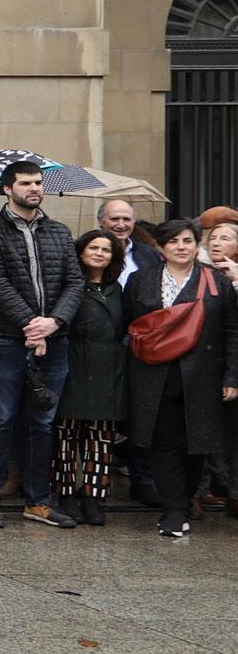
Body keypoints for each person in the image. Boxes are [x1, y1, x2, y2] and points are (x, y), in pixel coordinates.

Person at [0, 160, 85, 530]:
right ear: (7, 189)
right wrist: (30, 324)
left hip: (53, 340)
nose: (34, 188)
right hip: (4, 339)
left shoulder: (59, 231)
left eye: (38, 183)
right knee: (1, 418)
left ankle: (38, 500)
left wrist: (54, 323)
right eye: (25, 183)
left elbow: (74, 282)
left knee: (43, 421)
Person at [123, 219, 238, 537]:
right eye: (173, 241)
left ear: (196, 244)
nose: (181, 246)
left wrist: (232, 376)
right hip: (153, 375)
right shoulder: (140, 280)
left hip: (203, 375)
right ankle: (174, 509)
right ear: (160, 247)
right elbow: (130, 327)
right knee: (165, 443)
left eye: (187, 240)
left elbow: (231, 332)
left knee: (197, 444)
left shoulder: (216, 282)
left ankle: (185, 500)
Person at [54, 229, 127, 527]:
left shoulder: (118, 290)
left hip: (108, 369)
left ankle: (94, 496)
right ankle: (66, 493)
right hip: (73, 364)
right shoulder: (70, 286)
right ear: (81, 252)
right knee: (66, 434)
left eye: (106, 250)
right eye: (93, 248)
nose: (99, 253)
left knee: (101, 436)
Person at [99, 199, 161, 289]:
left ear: (133, 222)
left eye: (126, 219)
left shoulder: (149, 253)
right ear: (101, 221)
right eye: (114, 219)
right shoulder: (88, 253)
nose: (121, 225)